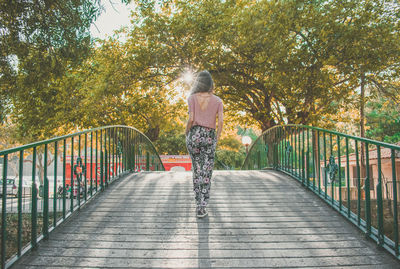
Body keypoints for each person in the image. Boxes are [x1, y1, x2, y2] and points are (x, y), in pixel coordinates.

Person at [185, 70, 223, 218]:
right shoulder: (218, 101)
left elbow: (191, 118)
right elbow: (220, 121)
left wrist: (187, 133)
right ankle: (202, 208)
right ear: (211, 84)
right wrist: (216, 138)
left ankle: (197, 204)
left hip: (194, 134)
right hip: (209, 136)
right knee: (206, 173)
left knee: (196, 170)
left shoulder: (192, 98)